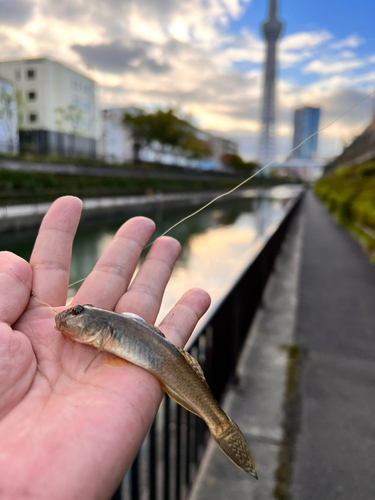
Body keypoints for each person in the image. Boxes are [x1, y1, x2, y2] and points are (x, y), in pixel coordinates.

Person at [0, 196, 210, 499]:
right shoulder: (92, 334)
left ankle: (218, 423)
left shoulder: (102, 331)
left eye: (77, 312)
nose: (70, 316)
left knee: (202, 405)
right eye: (76, 311)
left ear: (103, 331)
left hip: (169, 367)